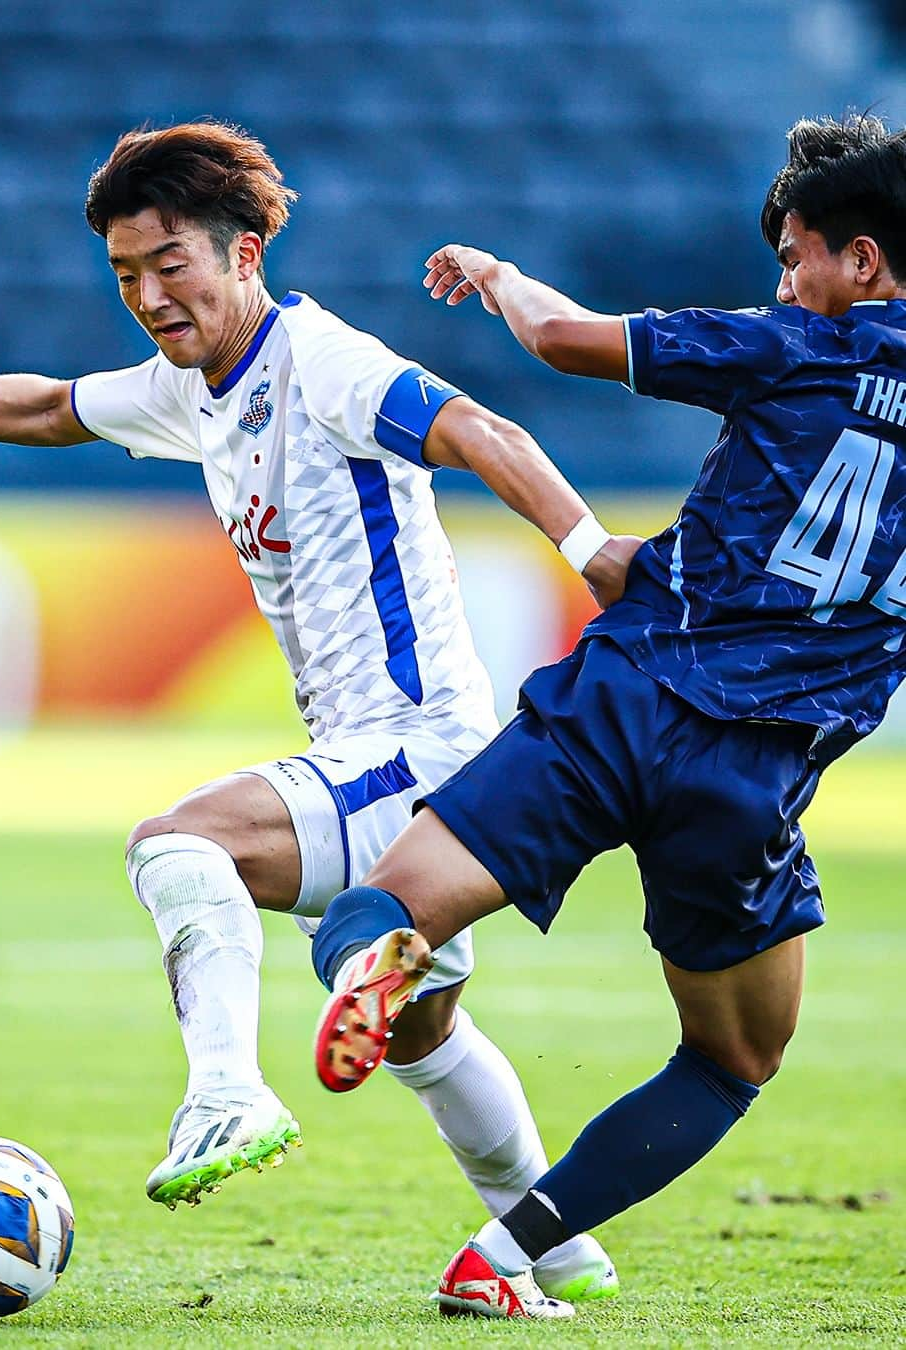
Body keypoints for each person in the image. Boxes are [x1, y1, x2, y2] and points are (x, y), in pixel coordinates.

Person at [0, 122, 634, 1303]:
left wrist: (591, 547)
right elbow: (53, 405)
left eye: (170, 266)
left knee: (180, 841)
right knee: (421, 1033)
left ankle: (226, 1093)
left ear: (244, 251)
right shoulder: (196, 387)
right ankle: (559, 1249)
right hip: (384, 753)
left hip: (420, 746)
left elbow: (478, 429)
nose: (150, 297)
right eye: (126, 277)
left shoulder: (323, 360)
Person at [310, 111, 906, 1320]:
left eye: (796, 257)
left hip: (620, 697)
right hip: (748, 780)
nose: (783, 282)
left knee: (390, 900)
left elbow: (562, 339)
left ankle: (371, 962)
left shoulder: (793, 344)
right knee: (731, 1062)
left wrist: (499, 276)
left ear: (865, 262)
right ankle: (507, 1255)